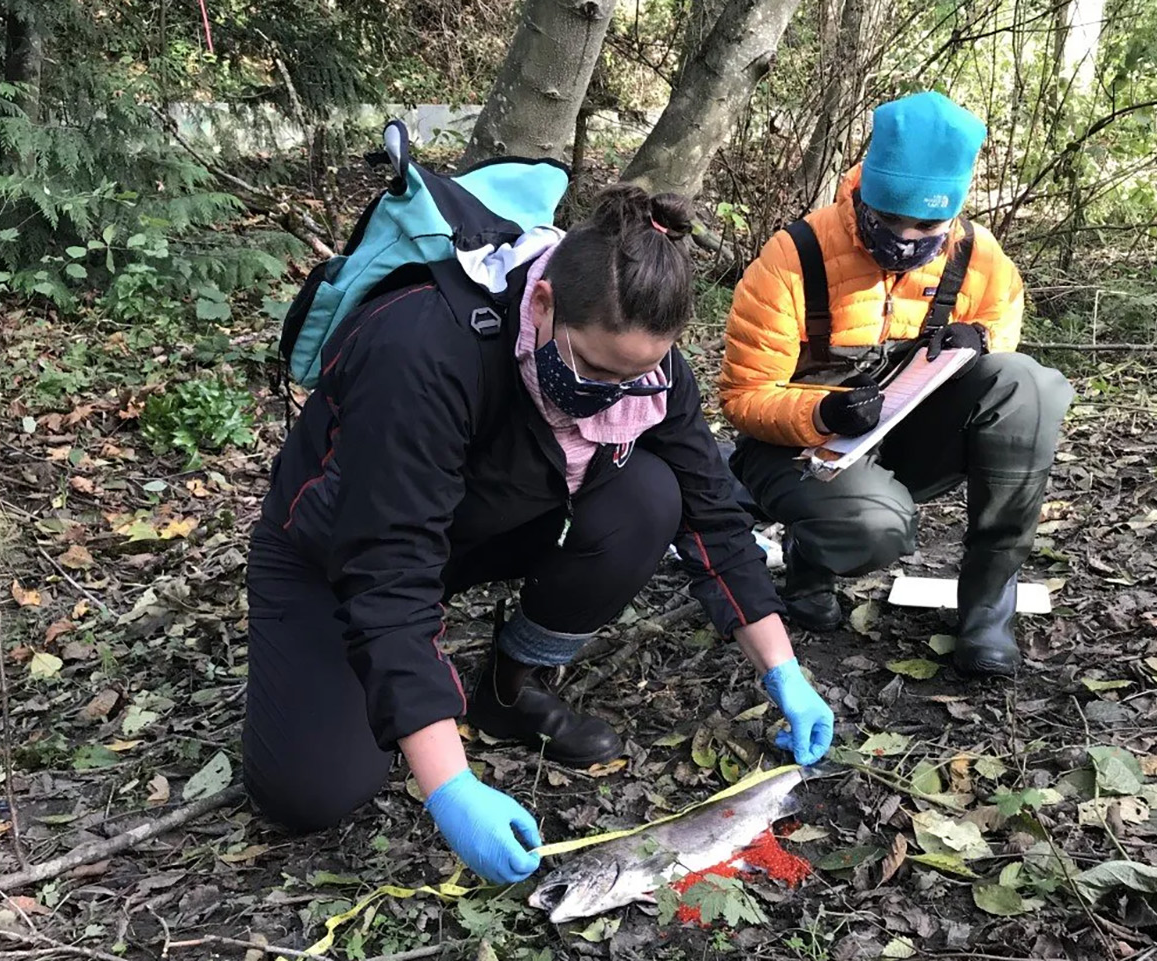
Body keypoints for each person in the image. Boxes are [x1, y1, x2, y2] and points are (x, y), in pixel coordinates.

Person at [244, 184, 836, 886]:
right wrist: (451, 786)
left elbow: (711, 512)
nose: (616, 394)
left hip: (485, 521)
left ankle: (507, 685)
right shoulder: (423, 347)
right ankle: (401, 700)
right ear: (545, 302)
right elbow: (389, 568)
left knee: (650, 496)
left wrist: (783, 669)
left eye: (638, 374)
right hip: (333, 550)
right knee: (310, 792)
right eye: (596, 369)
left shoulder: (650, 372)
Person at [719, 91, 1074, 678]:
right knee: (874, 528)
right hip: (801, 447)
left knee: (1028, 386)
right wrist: (826, 416)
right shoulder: (793, 257)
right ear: (863, 193)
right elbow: (743, 396)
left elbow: (1002, 334)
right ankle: (812, 559)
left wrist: (978, 341)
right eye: (888, 219)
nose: (907, 238)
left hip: (909, 431)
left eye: (928, 224)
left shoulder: (978, 256)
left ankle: (988, 606)